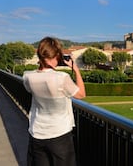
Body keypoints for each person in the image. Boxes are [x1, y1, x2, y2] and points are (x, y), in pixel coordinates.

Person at [23, 37, 86, 166]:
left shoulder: (27, 76)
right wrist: (76, 70)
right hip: (59, 134)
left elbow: (32, 90)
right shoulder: (62, 77)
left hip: (37, 132)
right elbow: (81, 94)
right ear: (56, 55)